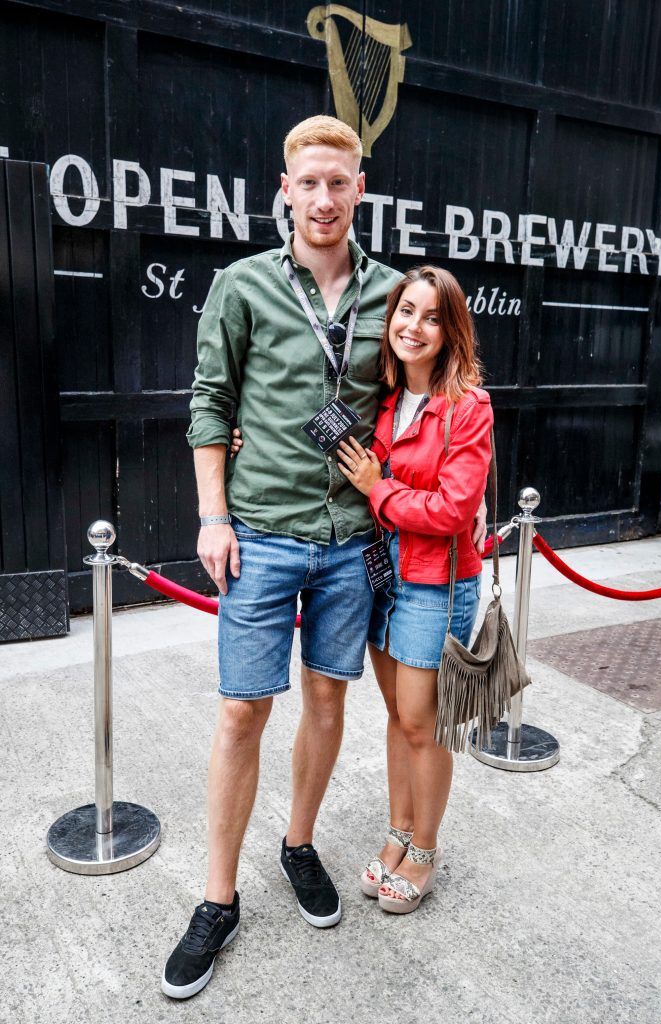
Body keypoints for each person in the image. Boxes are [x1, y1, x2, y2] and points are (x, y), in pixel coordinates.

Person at [163, 115, 485, 999]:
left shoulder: (392, 294)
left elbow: (430, 378)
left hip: (355, 546)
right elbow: (207, 402)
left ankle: (299, 845)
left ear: (359, 191)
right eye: (308, 182)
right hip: (261, 537)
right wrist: (211, 516)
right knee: (240, 715)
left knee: (328, 702)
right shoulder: (242, 285)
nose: (323, 198)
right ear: (284, 188)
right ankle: (217, 899)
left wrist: (459, 456)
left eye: (338, 183)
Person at [335, 265, 493, 914]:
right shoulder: (384, 400)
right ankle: (398, 831)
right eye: (406, 312)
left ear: (451, 329)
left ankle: (424, 849)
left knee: (424, 726)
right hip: (384, 574)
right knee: (398, 718)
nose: (414, 327)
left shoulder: (469, 407)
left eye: (431, 317)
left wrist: (378, 488)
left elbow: (453, 512)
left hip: (437, 581)